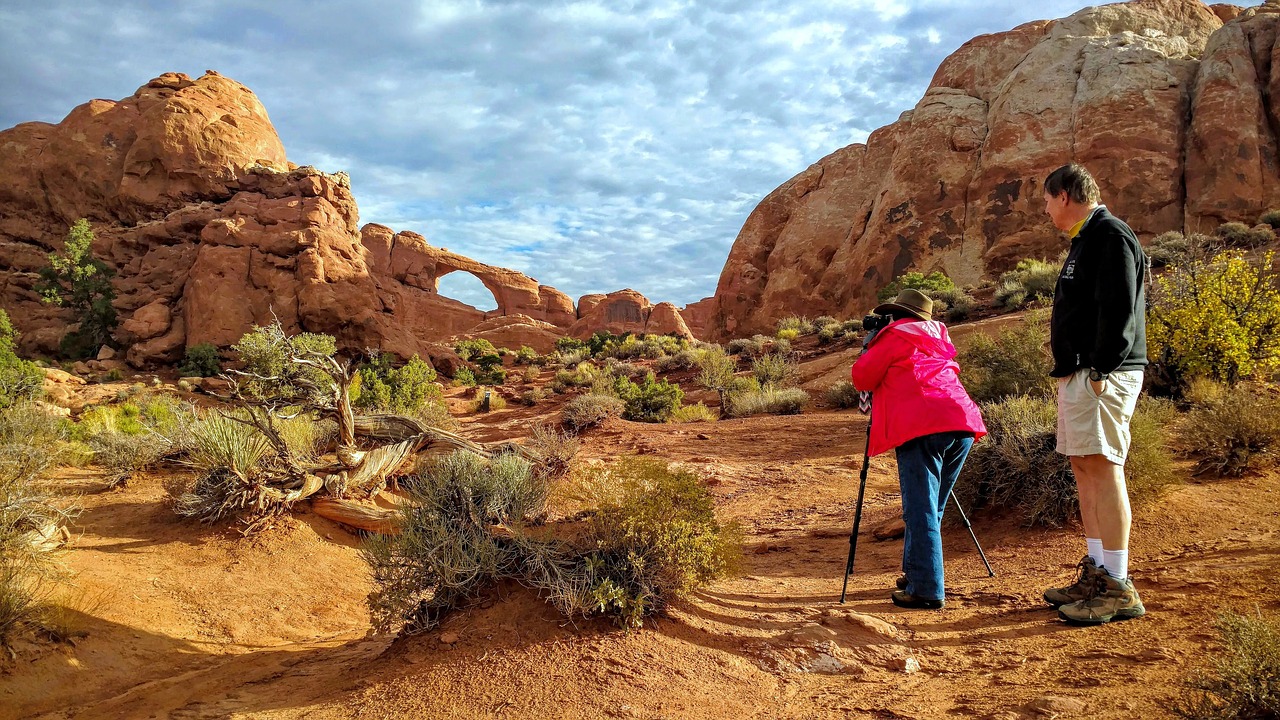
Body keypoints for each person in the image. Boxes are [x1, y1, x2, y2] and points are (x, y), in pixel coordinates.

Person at [1041, 163, 1148, 625]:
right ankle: (1098, 573)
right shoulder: (1086, 240)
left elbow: (1120, 306)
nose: (1045, 210)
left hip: (1101, 372)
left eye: (1047, 201)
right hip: (1080, 373)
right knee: (1084, 467)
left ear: (1065, 195)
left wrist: (1103, 366)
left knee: (1104, 469)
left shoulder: (1110, 235)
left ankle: (1119, 586)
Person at [851, 288, 986, 610]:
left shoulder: (894, 336)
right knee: (932, 508)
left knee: (921, 510)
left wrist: (871, 343)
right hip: (962, 422)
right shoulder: (937, 339)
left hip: (922, 425)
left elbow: (862, 377)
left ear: (898, 316)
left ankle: (926, 589)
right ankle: (917, 573)